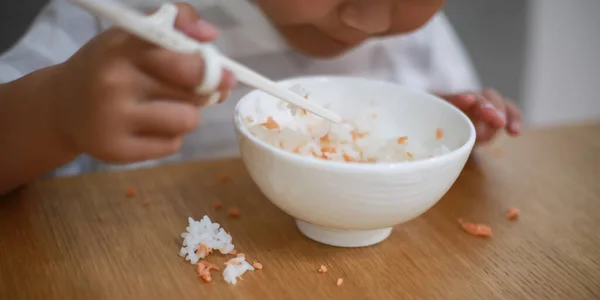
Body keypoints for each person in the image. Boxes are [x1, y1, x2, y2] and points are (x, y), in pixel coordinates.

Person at [0, 0, 522, 195]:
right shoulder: (131, 16)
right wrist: (57, 111)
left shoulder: (419, 36)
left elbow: (438, 130)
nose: (371, 17)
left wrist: (456, 130)